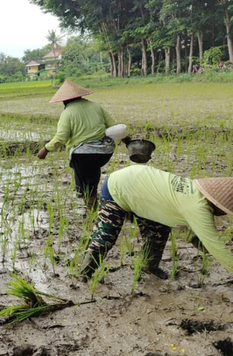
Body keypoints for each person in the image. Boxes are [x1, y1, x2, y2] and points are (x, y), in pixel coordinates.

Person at [81, 165, 233, 280]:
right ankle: (84, 274)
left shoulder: (193, 190)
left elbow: (172, 218)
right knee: (106, 235)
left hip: (142, 189)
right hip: (118, 187)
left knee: (158, 232)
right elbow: (216, 246)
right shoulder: (197, 207)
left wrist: (194, 239)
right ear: (219, 204)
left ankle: (149, 267)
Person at [37, 79, 117, 210]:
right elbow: (113, 126)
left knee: (86, 186)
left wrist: (46, 149)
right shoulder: (96, 106)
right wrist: (125, 139)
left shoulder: (67, 113)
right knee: (93, 178)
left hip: (83, 155)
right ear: (80, 95)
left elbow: (61, 137)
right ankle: (95, 207)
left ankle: (92, 213)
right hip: (104, 152)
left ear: (64, 100)